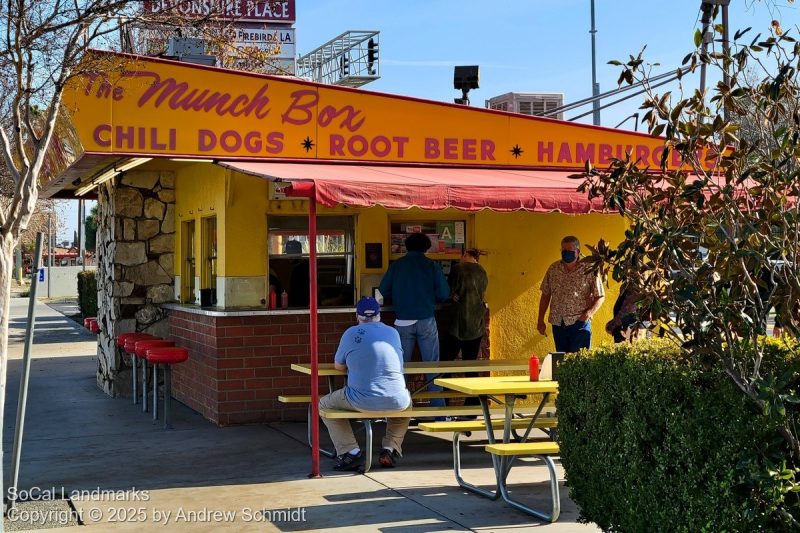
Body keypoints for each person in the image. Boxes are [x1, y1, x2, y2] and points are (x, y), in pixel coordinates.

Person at [319, 297, 411, 471]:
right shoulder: (393, 333)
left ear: (357, 316)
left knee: (324, 404)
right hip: (397, 400)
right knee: (405, 406)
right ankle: (389, 449)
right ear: (378, 315)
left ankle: (350, 452)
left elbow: (339, 366)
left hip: (360, 400)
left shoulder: (351, 333)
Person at [379, 232, 450, 407]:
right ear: (426, 247)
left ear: (407, 246)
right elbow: (444, 293)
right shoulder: (431, 266)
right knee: (432, 367)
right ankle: (437, 410)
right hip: (426, 319)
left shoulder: (397, 266)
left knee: (401, 366)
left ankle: (400, 407)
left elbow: (383, 290)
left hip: (402, 321)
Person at [537, 235, 605, 353]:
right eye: (563, 250)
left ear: (577, 251)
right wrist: (540, 320)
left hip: (579, 323)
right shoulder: (553, 269)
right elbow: (546, 295)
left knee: (580, 363)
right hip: (558, 323)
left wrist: (588, 314)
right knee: (562, 362)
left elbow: (600, 296)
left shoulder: (589, 269)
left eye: (569, 250)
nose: (566, 253)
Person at [441, 248, 488, 407]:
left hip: (457, 323)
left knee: (446, 365)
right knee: (471, 364)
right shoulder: (482, 271)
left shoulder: (457, 269)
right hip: (476, 324)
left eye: (462, 256)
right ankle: (473, 404)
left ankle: (445, 402)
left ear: (466, 255)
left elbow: (448, 290)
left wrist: (451, 295)